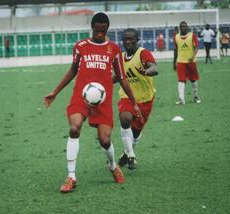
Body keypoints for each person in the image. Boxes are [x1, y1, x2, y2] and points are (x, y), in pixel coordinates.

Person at [43, 12, 142, 193]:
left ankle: (113, 166)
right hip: (81, 97)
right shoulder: (81, 46)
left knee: (105, 140)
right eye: (97, 29)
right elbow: (73, 70)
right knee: (74, 128)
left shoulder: (114, 49)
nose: (100, 32)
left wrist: (134, 102)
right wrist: (55, 92)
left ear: (107, 28)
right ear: (92, 27)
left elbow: (121, 78)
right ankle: (71, 176)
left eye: (103, 29)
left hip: (102, 102)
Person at [114, 28, 158, 169]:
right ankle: (131, 156)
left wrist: (146, 71)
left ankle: (126, 154)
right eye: (125, 39)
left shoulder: (143, 53)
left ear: (137, 39)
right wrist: (102, 83)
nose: (128, 42)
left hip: (145, 99)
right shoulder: (120, 57)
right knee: (125, 119)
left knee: (136, 132)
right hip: (126, 96)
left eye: (131, 39)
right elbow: (118, 76)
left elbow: (154, 68)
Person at [173, 21, 201, 105]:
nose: (183, 28)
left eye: (185, 26)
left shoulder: (192, 35)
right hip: (180, 61)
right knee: (181, 80)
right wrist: (174, 62)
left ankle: (196, 96)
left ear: (187, 27)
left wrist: (193, 56)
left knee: (193, 79)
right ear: (179, 28)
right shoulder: (176, 37)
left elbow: (196, 47)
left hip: (191, 61)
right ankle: (181, 99)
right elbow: (176, 49)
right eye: (181, 26)